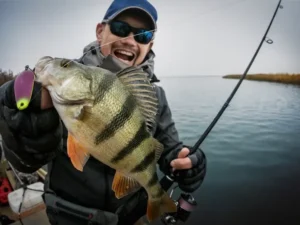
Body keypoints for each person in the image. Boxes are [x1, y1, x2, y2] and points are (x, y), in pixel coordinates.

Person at [0, 0, 207, 225]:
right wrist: (19, 134)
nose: (129, 40)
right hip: (70, 216)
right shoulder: (56, 91)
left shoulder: (156, 96)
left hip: (131, 214)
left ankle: (155, 197)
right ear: (100, 31)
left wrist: (188, 162)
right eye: (120, 28)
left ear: (150, 44)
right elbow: (26, 162)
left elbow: (168, 149)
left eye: (143, 35)